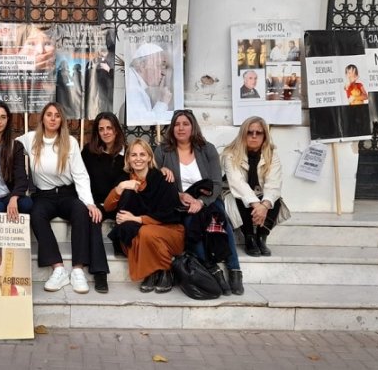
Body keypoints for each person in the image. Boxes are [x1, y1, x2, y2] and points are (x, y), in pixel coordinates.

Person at [16, 102, 109, 294]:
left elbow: (81, 175)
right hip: (44, 195)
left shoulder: (71, 142)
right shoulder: (30, 139)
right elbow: (7, 146)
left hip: (67, 193)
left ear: (61, 120)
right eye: (49, 115)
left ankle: (77, 270)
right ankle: (58, 269)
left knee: (81, 211)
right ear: (42, 118)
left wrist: (89, 203)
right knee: (36, 214)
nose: (52, 119)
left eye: (57, 115)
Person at [154, 109, 244, 296]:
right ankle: (214, 270)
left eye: (185, 124)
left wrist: (201, 202)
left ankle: (234, 270)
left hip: (206, 199)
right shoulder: (163, 150)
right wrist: (176, 191)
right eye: (177, 124)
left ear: (193, 126)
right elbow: (154, 181)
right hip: (179, 200)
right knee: (191, 224)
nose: (180, 128)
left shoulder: (207, 149)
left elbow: (217, 184)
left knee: (221, 220)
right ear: (172, 128)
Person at [104, 139, 184, 293]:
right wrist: (120, 187)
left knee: (145, 231)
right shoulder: (124, 179)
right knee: (138, 233)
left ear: (149, 157)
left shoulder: (163, 179)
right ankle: (156, 272)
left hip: (169, 230)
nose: (138, 158)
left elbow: (169, 214)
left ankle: (164, 269)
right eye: (133, 155)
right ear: (128, 159)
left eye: (142, 154)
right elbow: (108, 207)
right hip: (135, 234)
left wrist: (136, 219)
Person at [222, 116, 287, 259]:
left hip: (260, 194)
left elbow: (274, 183)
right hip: (236, 193)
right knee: (241, 198)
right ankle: (249, 238)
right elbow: (237, 183)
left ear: (265, 135)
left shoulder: (272, 154)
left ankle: (262, 237)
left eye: (259, 132)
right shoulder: (230, 153)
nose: (254, 136)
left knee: (273, 199)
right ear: (243, 134)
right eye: (249, 132)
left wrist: (264, 205)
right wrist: (257, 204)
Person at [81, 112, 126, 221]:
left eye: (109, 128)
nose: (105, 132)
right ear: (97, 133)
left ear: (116, 130)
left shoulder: (126, 154)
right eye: (101, 129)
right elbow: (81, 178)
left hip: (117, 206)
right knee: (92, 218)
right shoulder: (88, 151)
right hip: (95, 204)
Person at [125, 43, 172, 124]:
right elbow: (143, 123)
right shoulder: (133, 88)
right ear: (142, 66)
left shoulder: (135, 83)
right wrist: (162, 102)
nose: (163, 72)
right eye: (159, 65)